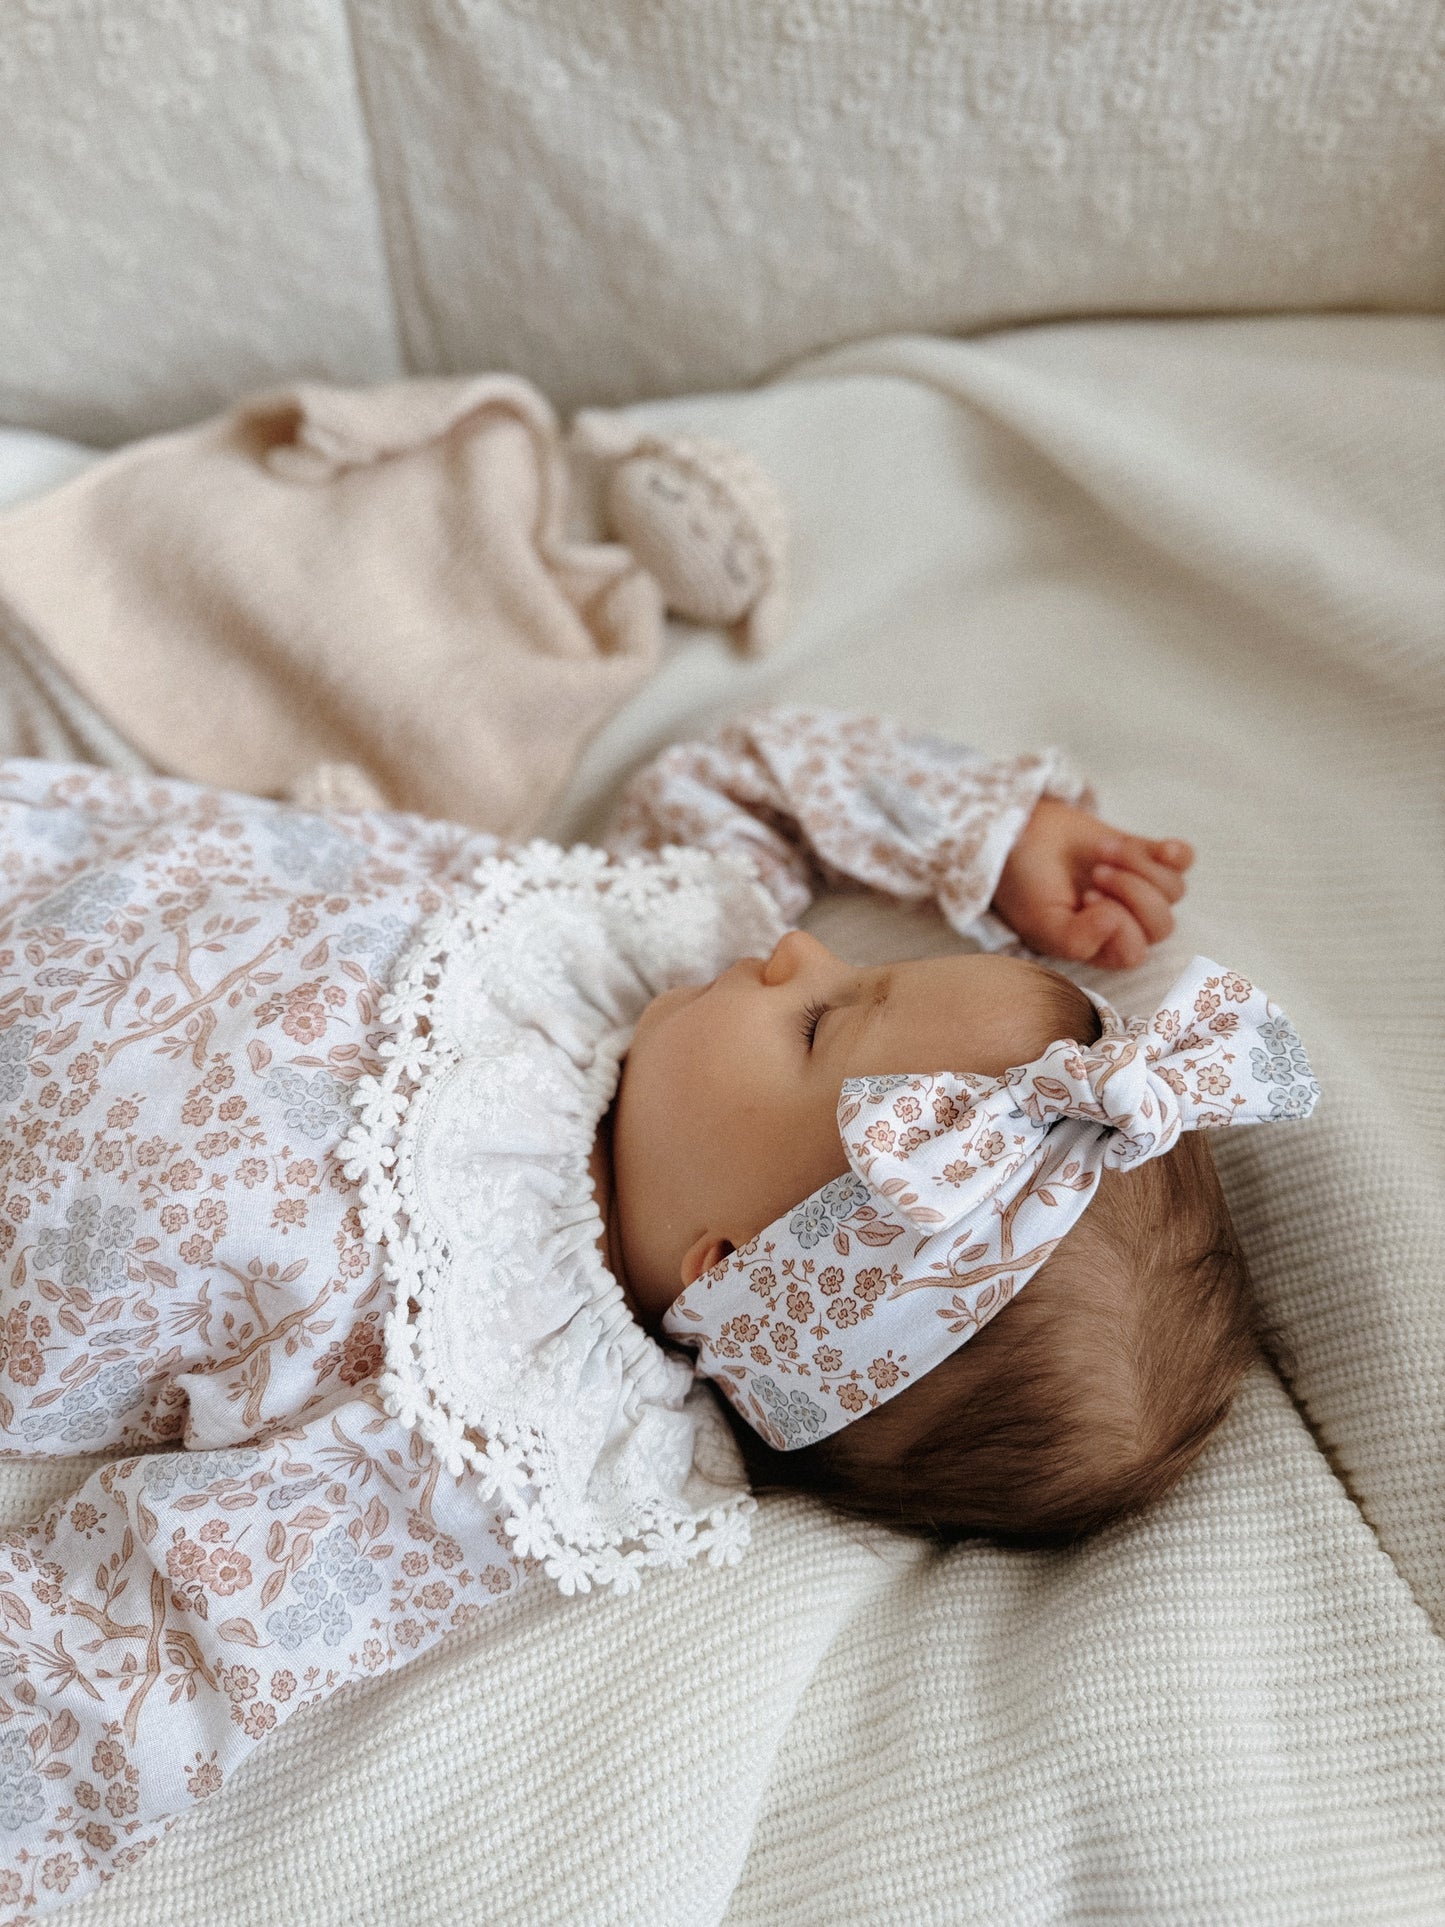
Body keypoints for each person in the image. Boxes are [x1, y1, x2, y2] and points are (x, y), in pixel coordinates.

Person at [0, 708, 1315, 1920]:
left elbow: (175, 1637)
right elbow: (751, 780)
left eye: (819, 1023)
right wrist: (985, 834)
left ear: (727, 1261)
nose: (794, 950)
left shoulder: (493, 1413)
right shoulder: (658, 959)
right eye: (860, 967)